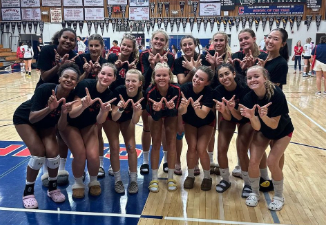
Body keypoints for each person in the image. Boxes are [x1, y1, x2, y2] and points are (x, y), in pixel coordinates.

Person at [13, 63, 80, 209]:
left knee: (53, 154)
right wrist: (49, 108)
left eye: (73, 78)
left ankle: (53, 188)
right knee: (38, 154)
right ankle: (28, 192)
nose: (69, 80)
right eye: (66, 77)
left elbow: (61, 127)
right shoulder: (45, 89)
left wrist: (63, 113)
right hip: (25, 119)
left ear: (76, 82)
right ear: (60, 78)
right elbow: (32, 118)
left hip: (47, 124)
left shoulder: (72, 98)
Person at [239, 65, 294, 211]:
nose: (253, 79)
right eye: (249, 78)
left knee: (272, 162)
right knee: (253, 162)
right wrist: (252, 117)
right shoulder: (248, 97)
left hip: (282, 131)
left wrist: (264, 116)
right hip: (263, 131)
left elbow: (274, 125)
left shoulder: (277, 94)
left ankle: (278, 196)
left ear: (265, 78)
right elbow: (256, 127)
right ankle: (254, 193)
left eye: (256, 76)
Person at [58, 63, 117, 198]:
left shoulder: (109, 94)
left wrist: (103, 111)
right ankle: (78, 183)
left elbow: (100, 120)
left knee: (93, 155)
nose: (105, 77)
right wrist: (84, 106)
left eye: (109, 75)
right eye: (103, 73)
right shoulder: (85, 85)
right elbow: (72, 114)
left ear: (114, 78)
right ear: (98, 74)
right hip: (70, 124)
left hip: (89, 125)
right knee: (80, 154)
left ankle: (93, 181)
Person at [37, 28, 82, 187]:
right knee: (46, 132)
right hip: (46, 94)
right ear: (59, 37)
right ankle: (45, 170)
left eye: (72, 39)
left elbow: (77, 79)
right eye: (65, 38)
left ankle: (61, 168)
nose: (68, 41)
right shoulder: (48, 50)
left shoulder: (75, 57)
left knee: (61, 132)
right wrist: (59, 65)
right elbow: (44, 77)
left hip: (65, 96)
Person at [213, 63, 253, 197]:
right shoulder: (218, 91)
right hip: (229, 117)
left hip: (244, 118)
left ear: (234, 74)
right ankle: (225, 180)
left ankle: (248, 183)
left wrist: (231, 108)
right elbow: (227, 117)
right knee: (221, 148)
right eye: (221, 75)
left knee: (241, 148)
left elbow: (240, 116)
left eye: (227, 74)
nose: (224, 77)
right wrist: (226, 110)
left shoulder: (245, 89)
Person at [138, 29, 174, 175]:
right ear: (151, 40)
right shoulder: (144, 55)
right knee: (146, 127)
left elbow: (168, 78)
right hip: (147, 94)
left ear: (166, 43)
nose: (158, 42)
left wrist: (159, 66)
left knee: (165, 128)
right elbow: (144, 78)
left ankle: (165, 160)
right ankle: (145, 161)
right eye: (156, 39)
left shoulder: (170, 56)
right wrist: (152, 66)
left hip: (164, 95)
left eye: (162, 40)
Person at [102, 69, 145, 194]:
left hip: (128, 120)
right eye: (128, 80)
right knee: (114, 147)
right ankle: (118, 180)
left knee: (131, 148)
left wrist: (137, 112)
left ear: (140, 83)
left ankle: (133, 180)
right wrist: (120, 109)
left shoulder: (142, 96)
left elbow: (136, 121)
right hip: (112, 120)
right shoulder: (118, 91)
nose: (130, 84)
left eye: (133, 81)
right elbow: (114, 117)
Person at [173, 35, 207, 175]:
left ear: (195, 44)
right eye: (184, 45)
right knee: (179, 133)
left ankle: (196, 162)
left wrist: (193, 68)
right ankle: (177, 162)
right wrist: (194, 70)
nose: (187, 47)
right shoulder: (178, 61)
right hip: (183, 100)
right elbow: (182, 82)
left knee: (197, 135)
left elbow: (206, 79)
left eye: (190, 44)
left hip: (200, 100)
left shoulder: (203, 59)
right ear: (181, 47)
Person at [179, 66, 215, 191]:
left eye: (201, 79)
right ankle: (190, 175)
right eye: (196, 76)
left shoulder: (210, 92)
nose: (197, 80)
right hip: (189, 121)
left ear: (207, 82)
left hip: (206, 122)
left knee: (201, 149)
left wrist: (196, 108)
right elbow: (181, 112)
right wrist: (183, 107)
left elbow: (202, 114)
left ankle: (207, 177)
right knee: (192, 147)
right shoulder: (184, 88)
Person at [146, 62, 181, 192]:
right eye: (158, 75)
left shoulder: (176, 89)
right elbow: (155, 117)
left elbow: (175, 113)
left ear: (169, 76)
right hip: (155, 114)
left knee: (171, 142)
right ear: (154, 77)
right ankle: (154, 178)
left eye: (164, 75)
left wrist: (170, 108)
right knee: (155, 143)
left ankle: (170, 177)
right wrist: (157, 110)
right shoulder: (150, 91)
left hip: (171, 114)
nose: (161, 78)